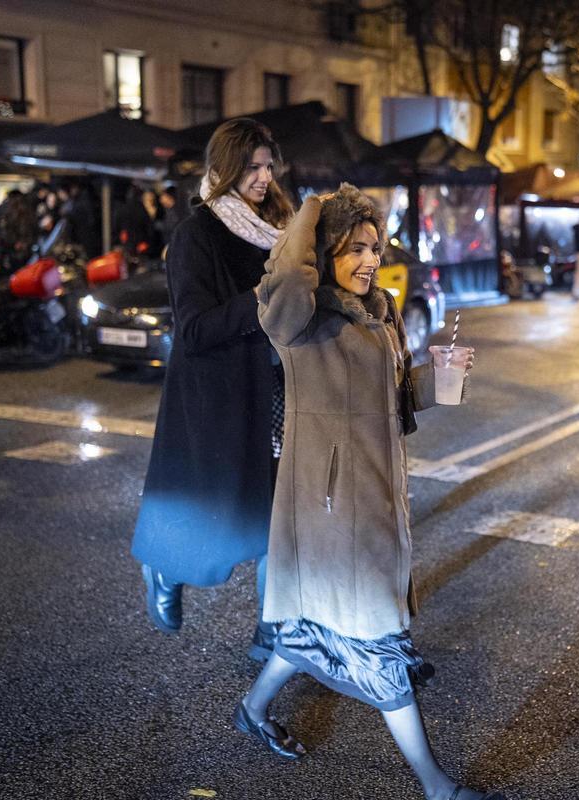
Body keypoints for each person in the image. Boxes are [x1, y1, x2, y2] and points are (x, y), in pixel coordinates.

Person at [240, 185, 499, 800]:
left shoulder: (380, 311)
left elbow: (397, 400)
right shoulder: (300, 319)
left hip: (375, 498)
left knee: (312, 628)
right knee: (380, 641)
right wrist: (313, 210)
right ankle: (436, 787)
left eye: (375, 248)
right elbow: (284, 281)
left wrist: (441, 380)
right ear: (325, 249)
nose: (369, 260)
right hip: (330, 508)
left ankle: (251, 709)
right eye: (354, 248)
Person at [131, 119, 294, 661]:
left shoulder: (281, 229)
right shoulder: (195, 235)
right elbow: (195, 330)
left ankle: (271, 631)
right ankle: (166, 570)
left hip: (278, 394)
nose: (264, 178)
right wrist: (264, 296)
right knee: (215, 519)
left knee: (280, 517)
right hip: (220, 398)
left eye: (268, 167)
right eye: (252, 168)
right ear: (225, 168)